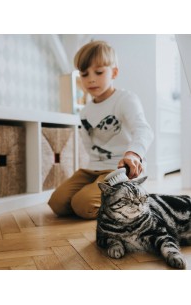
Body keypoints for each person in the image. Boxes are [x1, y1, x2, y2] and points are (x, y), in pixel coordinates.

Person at [48, 40, 154, 220]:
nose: (90, 79)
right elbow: (90, 147)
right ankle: (107, 197)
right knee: (57, 203)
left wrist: (133, 155)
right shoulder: (85, 111)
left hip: (120, 170)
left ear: (114, 72)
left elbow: (143, 129)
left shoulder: (125, 99)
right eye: (84, 73)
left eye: (98, 72)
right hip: (94, 169)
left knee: (84, 205)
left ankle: (130, 197)